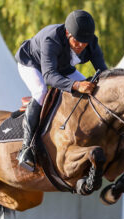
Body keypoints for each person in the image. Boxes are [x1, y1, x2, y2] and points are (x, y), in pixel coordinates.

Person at [15, 10, 108, 171]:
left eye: (84, 42)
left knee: (94, 89)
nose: (81, 46)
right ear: (67, 33)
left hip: (62, 67)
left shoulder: (90, 42)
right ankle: (27, 148)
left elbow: (104, 73)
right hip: (32, 64)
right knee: (41, 91)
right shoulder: (52, 39)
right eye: (77, 41)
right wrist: (77, 86)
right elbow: (50, 76)